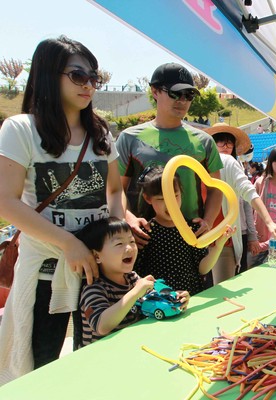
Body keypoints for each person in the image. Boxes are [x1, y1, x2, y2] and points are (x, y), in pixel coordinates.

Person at [0, 36, 125, 384]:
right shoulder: (21, 128)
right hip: (45, 274)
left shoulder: (100, 132)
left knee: (95, 364)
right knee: (41, 370)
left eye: (93, 77)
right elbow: (5, 200)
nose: (89, 85)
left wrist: (115, 233)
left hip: (96, 275)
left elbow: (114, 190)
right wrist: (68, 243)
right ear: (48, 75)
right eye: (78, 75)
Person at [116, 62, 223, 246]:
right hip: (143, 240)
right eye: (175, 93)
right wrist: (129, 219)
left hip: (190, 241)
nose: (182, 100)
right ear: (155, 91)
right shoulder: (129, 138)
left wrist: (208, 221)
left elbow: (216, 188)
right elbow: (116, 190)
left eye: (188, 95)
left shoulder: (204, 141)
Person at [77, 217, 190, 347]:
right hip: (101, 357)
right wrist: (135, 292)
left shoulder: (132, 277)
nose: (130, 248)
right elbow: (101, 326)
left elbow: (154, 299)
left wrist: (174, 299)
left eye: (131, 241)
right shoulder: (94, 289)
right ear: (97, 256)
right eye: (119, 244)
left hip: (130, 348)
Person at [133, 166, 233, 295]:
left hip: (191, 298)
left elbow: (203, 268)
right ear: (148, 198)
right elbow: (136, 274)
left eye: (175, 195)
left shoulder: (192, 229)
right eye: (161, 199)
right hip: (159, 303)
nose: (170, 203)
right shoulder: (145, 233)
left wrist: (218, 246)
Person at [203, 123, 276, 283]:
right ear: (212, 143)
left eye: (229, 143)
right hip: (207, 237)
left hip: (221, 237)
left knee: (217, 292)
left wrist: (265, 225)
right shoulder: (205, 163)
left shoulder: (228, 163)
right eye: (221, 142)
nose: (226, 146)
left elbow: (248, 194)